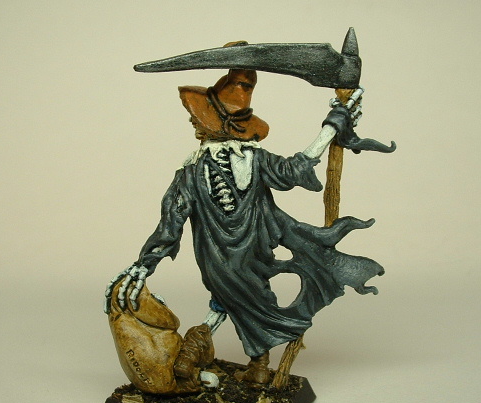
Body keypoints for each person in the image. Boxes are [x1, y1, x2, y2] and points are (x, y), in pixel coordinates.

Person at [105, 64, 384, 384]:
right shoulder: (251, 160)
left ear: (208, 125)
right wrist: (333, 123)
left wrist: (143, 265)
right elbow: (297, 168)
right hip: (253, 253)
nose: (193, 123)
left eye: (197, 118)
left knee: (229, 299)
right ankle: (249, 363)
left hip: (216, 259)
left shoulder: (191, 172)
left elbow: (172, 223)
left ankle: (202, 350)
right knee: (247, 301)